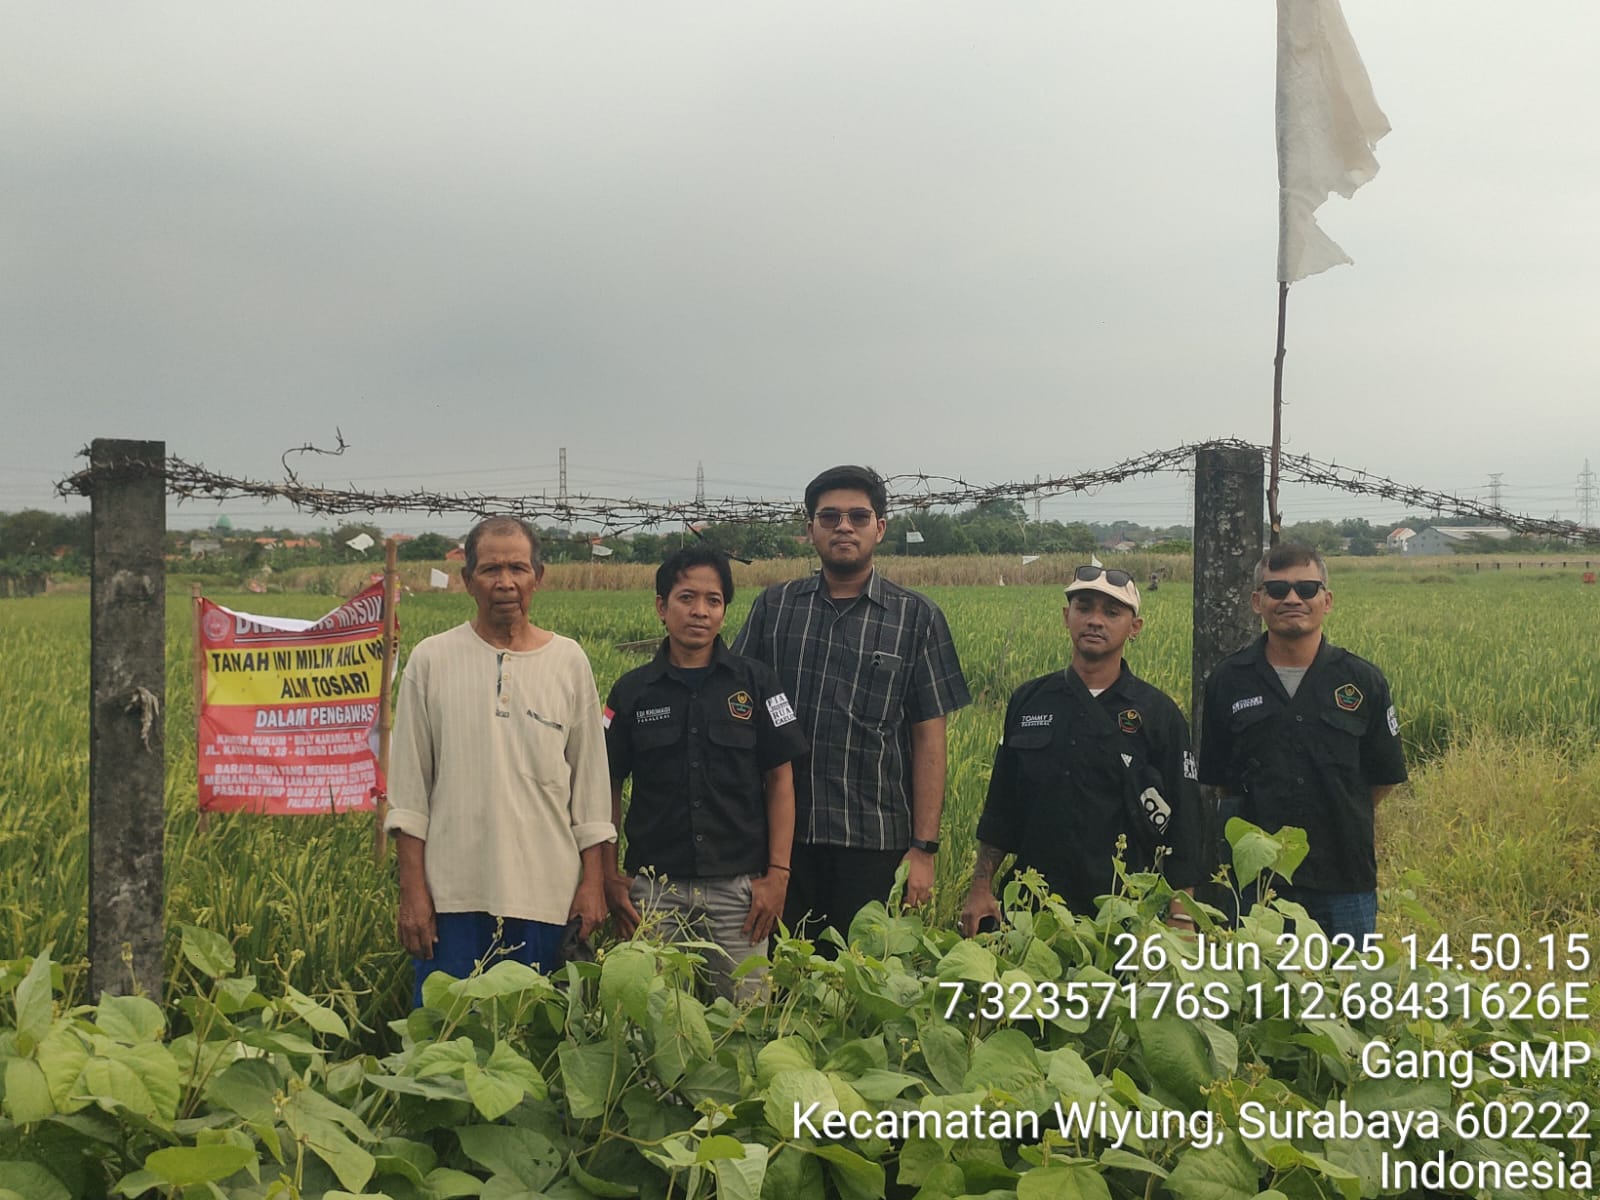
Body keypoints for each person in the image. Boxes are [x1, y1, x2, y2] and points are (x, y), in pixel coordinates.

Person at [732, 464, 970, 943]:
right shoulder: (773, 609)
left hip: (874, 842)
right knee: (776, 989)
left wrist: (923, 849)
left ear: (880, 528)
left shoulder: (916, 617)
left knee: (860, 989)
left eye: (858, 517)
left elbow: (929, 737)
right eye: (830, 517)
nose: (844, 527)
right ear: (810, 530)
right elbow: (736, 712)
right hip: (781, 845)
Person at [386, 516, 614, 1006]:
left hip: (547, 900)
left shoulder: (569, 662)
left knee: (535, 1055)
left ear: (539, 577)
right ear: (468, 580)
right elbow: (408, 795)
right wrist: (413, 895)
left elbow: (592, 793)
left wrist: (592, 886)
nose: (505, 582)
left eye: (518, 568)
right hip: (451, 900)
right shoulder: (431, 661)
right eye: (490, 570)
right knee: (443, 1058)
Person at [601, 546, 808, 1001]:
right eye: (686, 598)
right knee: (650, 1023)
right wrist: (608, 873)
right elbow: (608, 784)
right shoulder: (631, 691)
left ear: (724, 610)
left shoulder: (757, 684)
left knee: (744, 1025)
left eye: (713, 600)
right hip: (653, 893)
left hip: (739, 894)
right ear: (661, 606)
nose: (700, 611)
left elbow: (781, 781)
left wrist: (778, 875)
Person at [960, 565, 1203, 934]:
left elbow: (1185, 820)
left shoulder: (1159, 714)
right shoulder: (1029, 701)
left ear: (1134, 628)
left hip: (1123, 913)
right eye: (1084, 608)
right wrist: (981, 887)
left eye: (1111, 612)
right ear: (1066, 617)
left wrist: (1181, 914)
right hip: (1031, 907)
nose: (1095, 621)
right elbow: (1001, 807)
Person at [1198, 543, 1407, 941]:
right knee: (1261, 998)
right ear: (1258, 602)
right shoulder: (1228, 681)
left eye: (1307, 589)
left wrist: (1334, 810)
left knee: (1347, 996)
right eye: (1277, 590)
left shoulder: (1363, 682)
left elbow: (1383, 777)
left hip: (1343, 877)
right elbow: (1221, 780)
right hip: (1256, 885)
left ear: (1326, 601)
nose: (1292, 598)